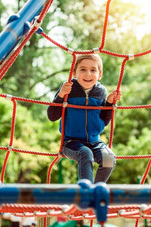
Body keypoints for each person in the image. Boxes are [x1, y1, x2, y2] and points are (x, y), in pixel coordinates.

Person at [47, 54, 121, 183]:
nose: (88, 74)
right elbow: (52, 116)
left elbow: (104, 121)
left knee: (109, 158)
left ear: (100, 74)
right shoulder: (68, 88)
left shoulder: (101, 91)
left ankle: (96, 189)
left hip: (94, 142)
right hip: (70, 142)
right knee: (85, 153)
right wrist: (61, 95)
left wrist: (109, 103)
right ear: (74, 73)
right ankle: (86, 191)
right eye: (83, 69)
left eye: (93, 70)